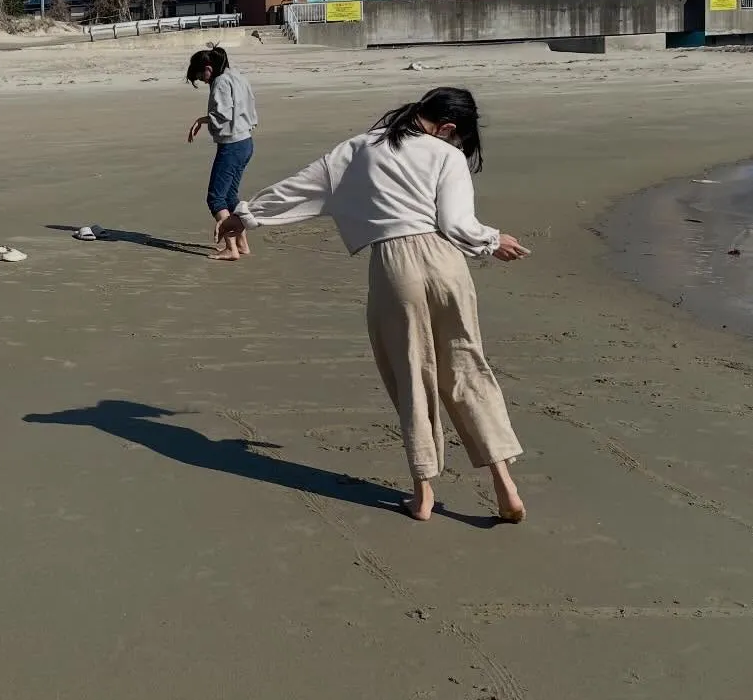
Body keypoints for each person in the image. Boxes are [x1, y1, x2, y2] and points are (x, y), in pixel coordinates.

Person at [217, 87, 529, 524]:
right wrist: (493, 241)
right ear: (449, 128)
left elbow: (301, 187)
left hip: (394, 265)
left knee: (410, 373)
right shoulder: (446, 156)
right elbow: (456, 223)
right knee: (465, 365)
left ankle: (423, 494)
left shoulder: (358, 148)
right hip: (445, 262)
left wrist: (244, 216)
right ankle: (505, 485)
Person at [186, 46, 258, 261]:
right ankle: (242, 244)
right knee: (229, 196)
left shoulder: (220, 82)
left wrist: (202, 119)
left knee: (216, 198)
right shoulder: (237, 76)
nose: (204, 81)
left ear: (209, 68)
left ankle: (231, 248)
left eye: (202, 76)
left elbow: (223, 113)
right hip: (246, 142)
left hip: (232, 145)